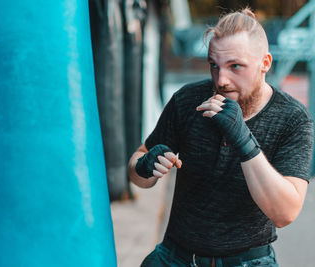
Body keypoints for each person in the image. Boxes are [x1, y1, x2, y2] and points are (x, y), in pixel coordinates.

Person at [128, 7, 314, 267]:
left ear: (265, 63)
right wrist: (145, 165)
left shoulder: (292, 118)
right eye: (214, 65)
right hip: (176, 256)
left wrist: (241, 136)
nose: (222, 79)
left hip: (248, 262)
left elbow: (285, 212)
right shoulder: (188, 100)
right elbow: (135, 173)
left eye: (235, 66)